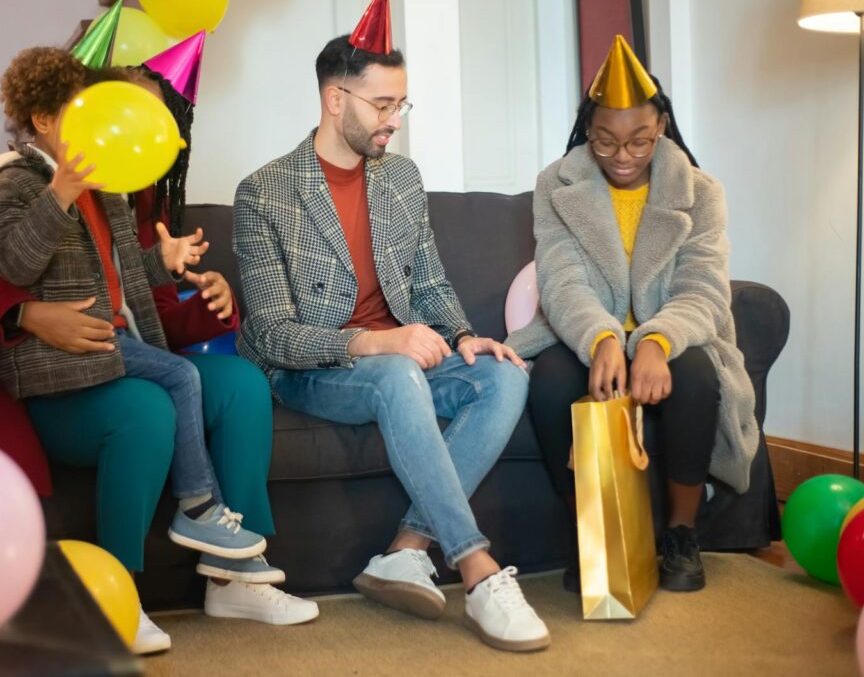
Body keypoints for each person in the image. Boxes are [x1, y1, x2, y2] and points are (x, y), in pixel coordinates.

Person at [0, 48, 315, 654]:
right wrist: (59, 199)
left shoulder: (115, 189)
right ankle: (117, 594)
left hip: (125, 353)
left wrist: (167, 265)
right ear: (48, 118)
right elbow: (6, 267)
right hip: (62, 378)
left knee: (243, 385)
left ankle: (235, 576)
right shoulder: (15, 182)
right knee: (151, 405)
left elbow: (121, 280)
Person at [232, 34, 548, 653]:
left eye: (402, 105)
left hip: (401, 360)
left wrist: (463, 337)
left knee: (508, 374)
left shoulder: (401, 178)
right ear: (334, 98)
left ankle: (405, 551)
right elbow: (269, 333)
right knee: (398, 371)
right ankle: (477, 569)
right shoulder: (263, 191)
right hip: (320, 369)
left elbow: (428, 280)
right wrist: (375, 344)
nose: (393, 122)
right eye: (381, 105)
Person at [506, 36, 759, 593]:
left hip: (673, 336)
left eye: (639, 142)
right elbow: (561, 280)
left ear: (661, 127)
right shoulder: (556, 185)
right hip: (583, 332)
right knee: (549, 382)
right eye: (606, 142)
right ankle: (594, 533)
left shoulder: (700, 192)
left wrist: (656, 340)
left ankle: (680, 535)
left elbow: (705, 290)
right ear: (586, 132)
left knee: (695, 375)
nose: (623, 156)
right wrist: (599, 338)